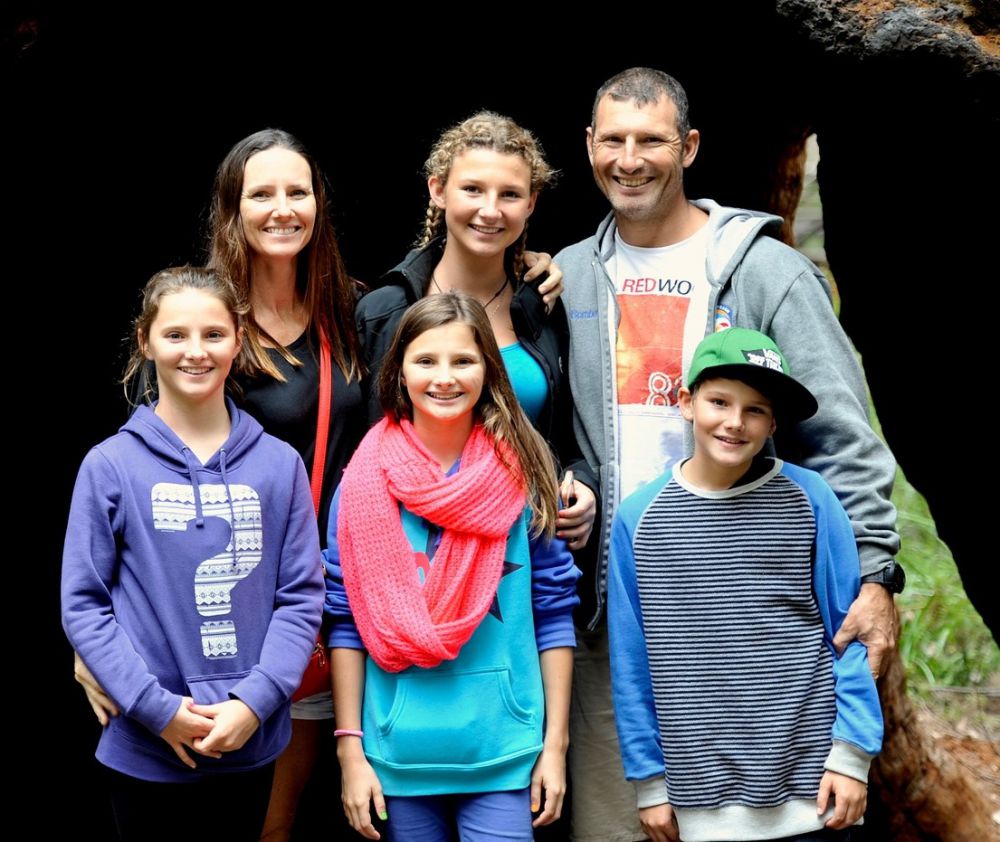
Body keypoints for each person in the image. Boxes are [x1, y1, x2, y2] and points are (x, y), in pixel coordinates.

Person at [555, 68, 901, 842]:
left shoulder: (766, 270)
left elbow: (842, 432)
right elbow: (549, 430)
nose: (629, 160)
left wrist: (876, 574)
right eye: (613, 140)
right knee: (622, 822)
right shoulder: (567, 276)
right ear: (589, 145)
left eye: (651, 141)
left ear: (689, 147)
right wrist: (571, 483)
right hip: (620, 614)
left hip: (756, 618)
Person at [75, 128, 366, 840]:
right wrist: (96, 651)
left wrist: (529, 267)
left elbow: (444, 324)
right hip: (203, 632)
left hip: (318, 608)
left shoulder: (356, 312)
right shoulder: (199, 314)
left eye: (297, 191)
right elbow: (133, 508)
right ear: (231, 209)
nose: (281, 208)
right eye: (260, 193)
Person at [61, 267, 325, 842]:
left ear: (238, 341)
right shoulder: (109, 466)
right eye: (176, 334)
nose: (196, 351)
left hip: (249, 739)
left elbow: (302, 597)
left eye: (214, 334)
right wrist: (155, 709)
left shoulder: (279, 465)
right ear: (145, 341)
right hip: (144, 746)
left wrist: (254, 703)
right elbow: (84, 604)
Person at [608, 327, 884, 842]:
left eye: (755, 410)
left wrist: (852, 756)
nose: (735, 422)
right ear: (687, 403)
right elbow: (632, 662)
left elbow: (848, 634)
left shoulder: (810, 498)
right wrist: (650, 783)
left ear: (773, 422)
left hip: (814, 794)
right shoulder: (639, 518)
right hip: (701, 800)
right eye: (719, 402)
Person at [325, 293, 580, 841]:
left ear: (488, 370)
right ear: (399, 371)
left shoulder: (524, 474)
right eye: (426, 361)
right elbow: (345, 620)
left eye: (463, 360)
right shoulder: (362, 483)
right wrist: (351, 751)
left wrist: (555, 746)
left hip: (505, 749)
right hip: (397, 753)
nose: (444, 378)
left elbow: (553, 611)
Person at [355, 111, 598, 550]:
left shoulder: (543, 306)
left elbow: (563, 440)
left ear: (531, 203)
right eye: (472, 189)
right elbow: (359, 444)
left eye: (510, 194)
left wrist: (581, 481)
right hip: (406, 547)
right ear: (438, 190)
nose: (490, 210)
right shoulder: (385, 312)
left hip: (522, 548)